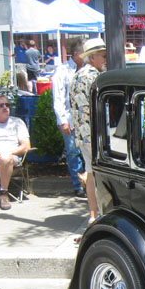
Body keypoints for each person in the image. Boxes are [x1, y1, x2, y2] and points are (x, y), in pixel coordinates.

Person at [70, 37, 106, 224]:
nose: (105, 59)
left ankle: (93, 215)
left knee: (91, 173)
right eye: (102, 56)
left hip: (83, 135)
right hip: (96, 134)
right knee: (98, 174)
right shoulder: (94, 76)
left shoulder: (76, 75)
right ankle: (99, 214)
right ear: (92, 58)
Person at [52, 39, 85, 198]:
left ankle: (88, 182)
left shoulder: (88, 69)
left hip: (85, 119)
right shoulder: (62, 71)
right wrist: (63, 121)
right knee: (73, 152)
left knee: (87, 152)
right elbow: (58, 98)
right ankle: (78, 184)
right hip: (70, 119)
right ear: (76, 54)